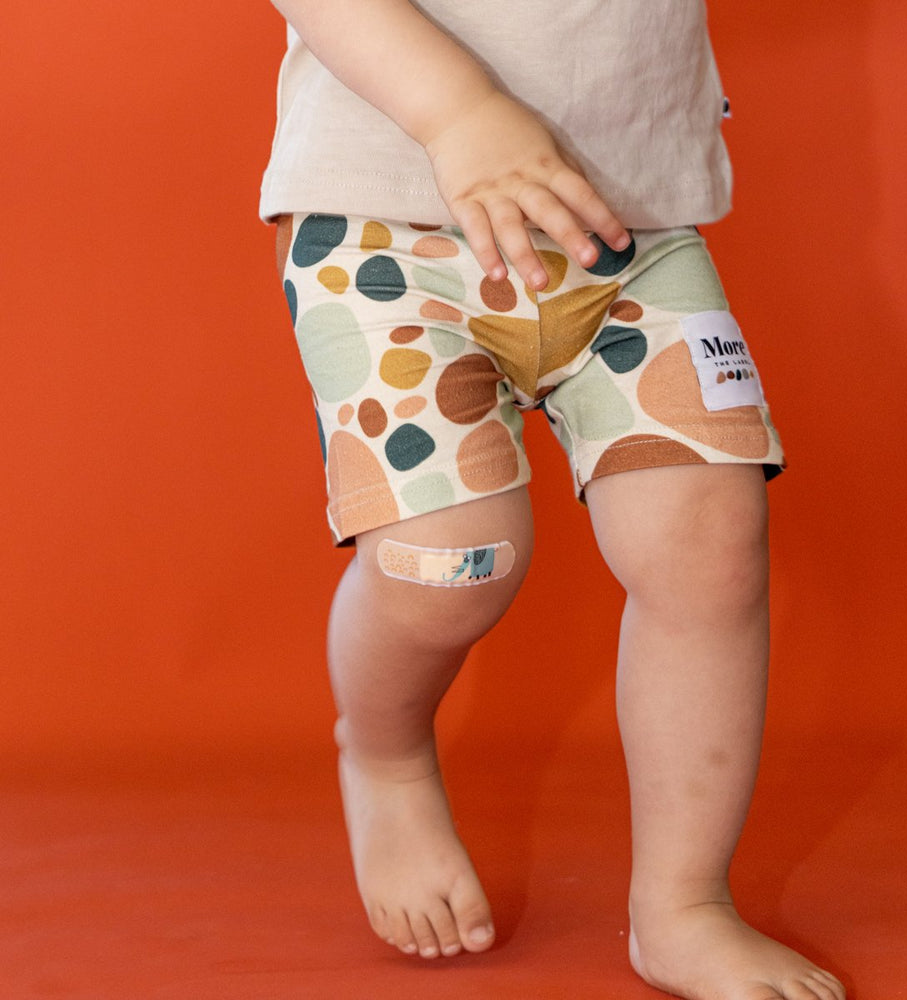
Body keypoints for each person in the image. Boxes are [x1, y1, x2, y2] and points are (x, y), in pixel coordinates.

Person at [260, 2, 845, 998]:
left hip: (626, 229)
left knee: (708, 542)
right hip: (391, 224)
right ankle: (387, 751)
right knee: (449, 564)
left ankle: (683, 904)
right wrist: (456, 112)